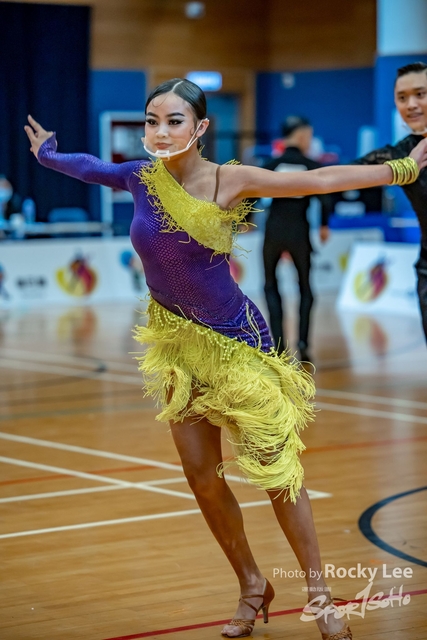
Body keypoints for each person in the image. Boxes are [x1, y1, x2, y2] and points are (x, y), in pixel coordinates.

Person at [24, 78, 427, 640]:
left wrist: (400, 169)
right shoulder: (139, 178)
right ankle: (252, 584)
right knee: (201, 477)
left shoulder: (227, 180)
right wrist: (47, 154)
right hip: (176, 346)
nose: (160, 132)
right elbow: (88, 167)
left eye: (174, 121)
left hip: (237, 343)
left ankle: (319, 595)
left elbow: (318, 180)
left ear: (201, 127)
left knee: (278, 474)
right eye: (152, 121)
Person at [353, 62, 427, 344]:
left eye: (420, 94)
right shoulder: (400, 153)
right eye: (402, 97)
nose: (411, 104)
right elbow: (343, 175)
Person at [263, 116, 333, 361]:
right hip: (299, 232)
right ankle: (303, 342)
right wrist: (324, 224)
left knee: (271, 285)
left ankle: (279, 344)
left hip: (273, 231)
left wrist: (245, 220)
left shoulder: (271, 164)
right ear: (301, 135)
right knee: (305, 287)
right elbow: (326, 198)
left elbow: (250, 192)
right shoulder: (311, 166)